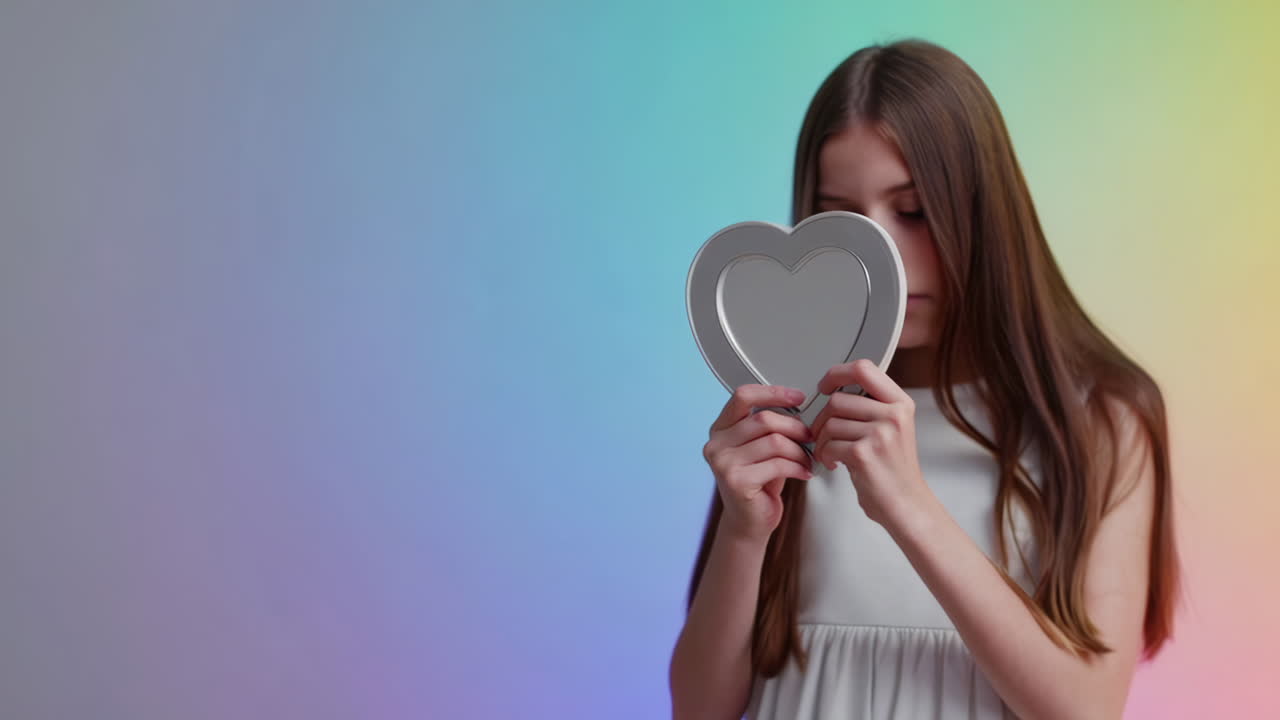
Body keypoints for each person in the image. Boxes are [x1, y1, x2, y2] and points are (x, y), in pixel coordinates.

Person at [668, 38, 1182, 720]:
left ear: (985, 213)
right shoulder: (795, 401)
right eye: (843, 217)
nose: (881, 257)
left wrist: (908, 506)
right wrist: (743, 530)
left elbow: (1084, 709)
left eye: (912, 211)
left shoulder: (1099, 420)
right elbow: (699, 711)